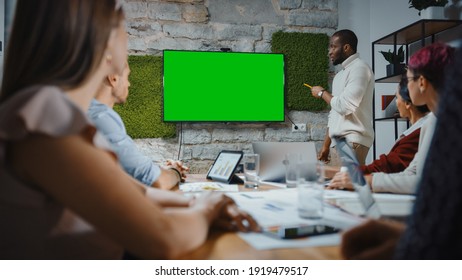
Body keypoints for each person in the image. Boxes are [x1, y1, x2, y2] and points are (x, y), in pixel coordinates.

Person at [0, 0, 258, 260]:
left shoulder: (59, 116)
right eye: (124, 26)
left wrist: (203, 203)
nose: (128, 36)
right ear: (105, 41)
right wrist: (210, 207)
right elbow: (165, 238)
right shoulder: (44, 117)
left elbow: (140, 192)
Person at [341, 43, 459, 260]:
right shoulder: (434, 120)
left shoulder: (441, 124)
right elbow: (413, 173)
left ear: (421, 82)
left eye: (409, 78)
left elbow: (420, 182)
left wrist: (366, 181)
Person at [88, 63, 187, 190]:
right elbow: (156, 181)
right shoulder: (101, 117)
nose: (129, 84)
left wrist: (163, 170)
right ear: (113, 78)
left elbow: (131, 170)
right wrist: (175, 172)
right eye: (127, 77)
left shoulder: (87, 112)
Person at [327, 76, 430, 190]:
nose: (395, 103)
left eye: (396, 97)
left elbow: (389, 167)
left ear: (407, 103)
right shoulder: (418, 131)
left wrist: (333, 173)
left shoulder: (418, 133)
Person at [311, 29, 374, 166]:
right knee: (337, 186)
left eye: (333, 46)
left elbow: (345, 106)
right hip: (339, 142)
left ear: (346, 47)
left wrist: (322, 93)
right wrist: (326, 145)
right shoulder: (340, 76)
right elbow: (335, 112)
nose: (330, 51)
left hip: (351, 141)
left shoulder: (360, 68)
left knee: (345, 186)